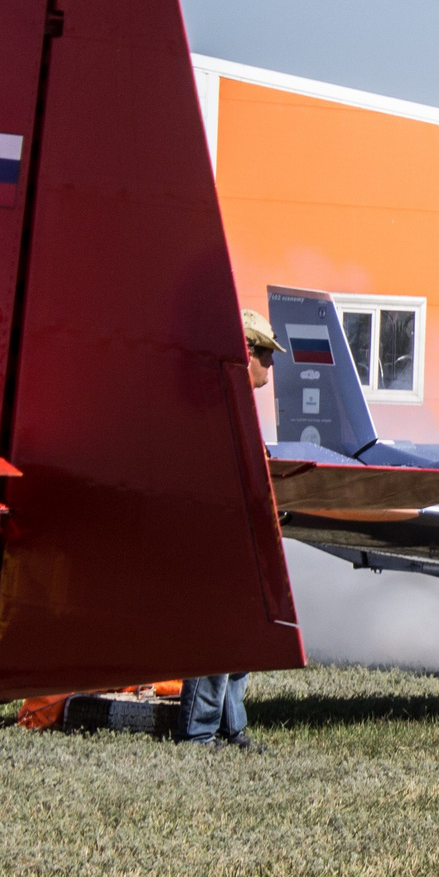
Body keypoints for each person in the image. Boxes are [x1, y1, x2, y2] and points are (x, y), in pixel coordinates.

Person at [181, 309, 277, 750]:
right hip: (220, 533)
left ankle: (230, 728)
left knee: (242, 634)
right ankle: (200, 732)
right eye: (266, 356)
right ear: (247, 352)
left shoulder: (236, 401)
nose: (270, 367)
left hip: (242, 533)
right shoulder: (218, 399)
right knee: (218, 636)